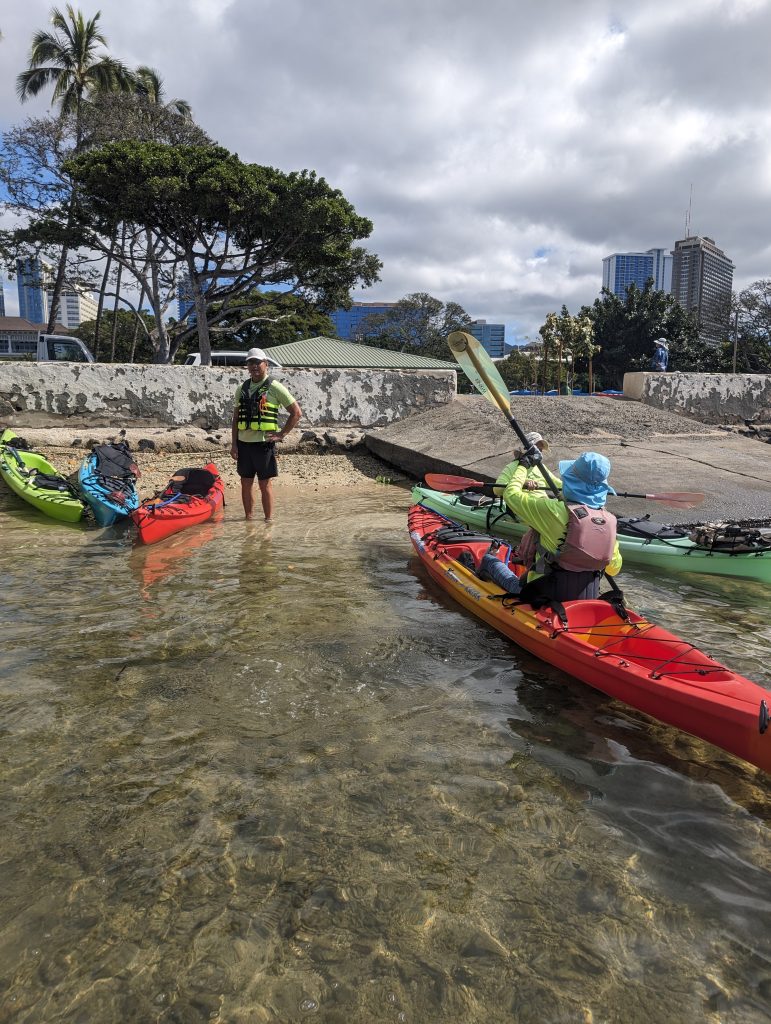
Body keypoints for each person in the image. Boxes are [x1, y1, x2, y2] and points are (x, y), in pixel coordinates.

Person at [499, 448, 622, 602]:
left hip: (540, 595)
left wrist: (523, 465)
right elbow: (614, 568)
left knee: (491, 563)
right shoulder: (609, 521)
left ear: (570, 479)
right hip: (584, 598)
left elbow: (510, 495)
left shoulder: (552, 509)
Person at [230, 347, 302, 522]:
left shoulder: (275, 387)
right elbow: (236, 418)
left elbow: (296, 413)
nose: (254, 366)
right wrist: (234, 444)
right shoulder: (242, 388)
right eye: (250, 362)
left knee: (264, 484)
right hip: (244, 444)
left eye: (257, 362)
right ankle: (248, 520)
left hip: (263, 445)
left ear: (266, 364)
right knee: (245, 483)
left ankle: (268, 521)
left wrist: (281, 435)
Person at [494, 431, 560, 495]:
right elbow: (497, 490)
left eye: (540, 450)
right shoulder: (512, 466)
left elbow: (557, 483)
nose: (539, 453)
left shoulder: (541, 467)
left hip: (543, 502)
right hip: (523, 503)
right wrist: (523, 483)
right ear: (525, 449)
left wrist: (569, 485)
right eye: (536, 449)